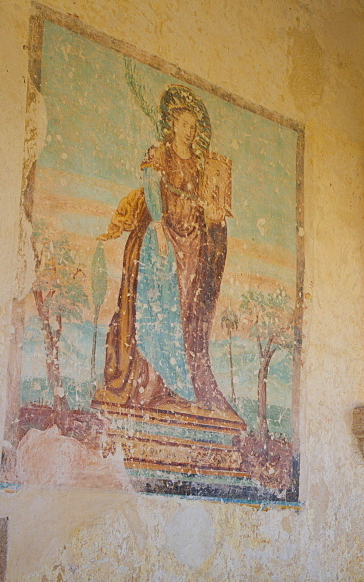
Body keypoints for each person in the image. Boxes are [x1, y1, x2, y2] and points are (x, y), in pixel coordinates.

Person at [93, 84, 240, 424]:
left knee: (185, 315)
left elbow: (210, 204)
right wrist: (158, 228)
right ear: (172, 125)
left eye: (192, 125)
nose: (188, 131)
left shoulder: (202, 166)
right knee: (157, 310)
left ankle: (176, 388)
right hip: (163, 241)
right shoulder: (160, 154)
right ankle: (147, 385)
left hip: (193, 246)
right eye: (183, 124)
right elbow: (150, 186)